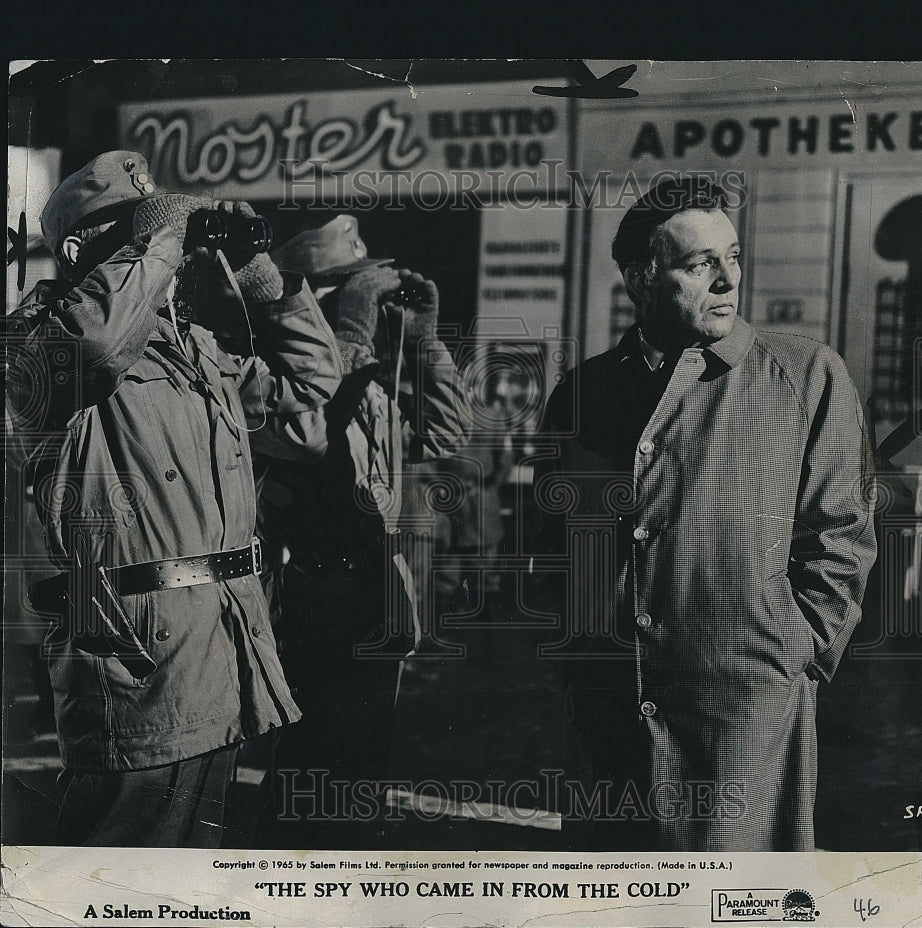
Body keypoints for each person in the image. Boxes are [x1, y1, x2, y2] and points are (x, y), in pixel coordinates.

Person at [4, 150, 342, 847]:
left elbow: (310, 405)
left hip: (221, 648)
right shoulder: (35, 342)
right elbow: (95, 343)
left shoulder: (194, 351)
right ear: (77, 249)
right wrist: (157, 235)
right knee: (121, 870)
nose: (169, 246)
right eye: (132, 229)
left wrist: (263, 282)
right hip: (138, 664)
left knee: (189, 876)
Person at [530, 177, 877, 851]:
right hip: (609, 707)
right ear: (641, 276)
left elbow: (843, 534)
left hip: (742, 710)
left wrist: (793, 652)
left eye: (734, 257)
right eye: (700, 265)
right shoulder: (586, 390)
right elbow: (551, 537)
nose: (728, 280)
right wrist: (576, 651)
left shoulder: (805, 376)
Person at [254, 215, 468, 847]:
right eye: (349, 286)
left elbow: (445, 436)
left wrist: (424, 340)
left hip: (374, 594)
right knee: (316, 771)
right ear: (310, 299)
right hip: (308, 596)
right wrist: (351, 331)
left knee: (358, 773)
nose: (372, 300)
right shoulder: (274, 371)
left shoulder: (364, 379)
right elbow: (308, 440)